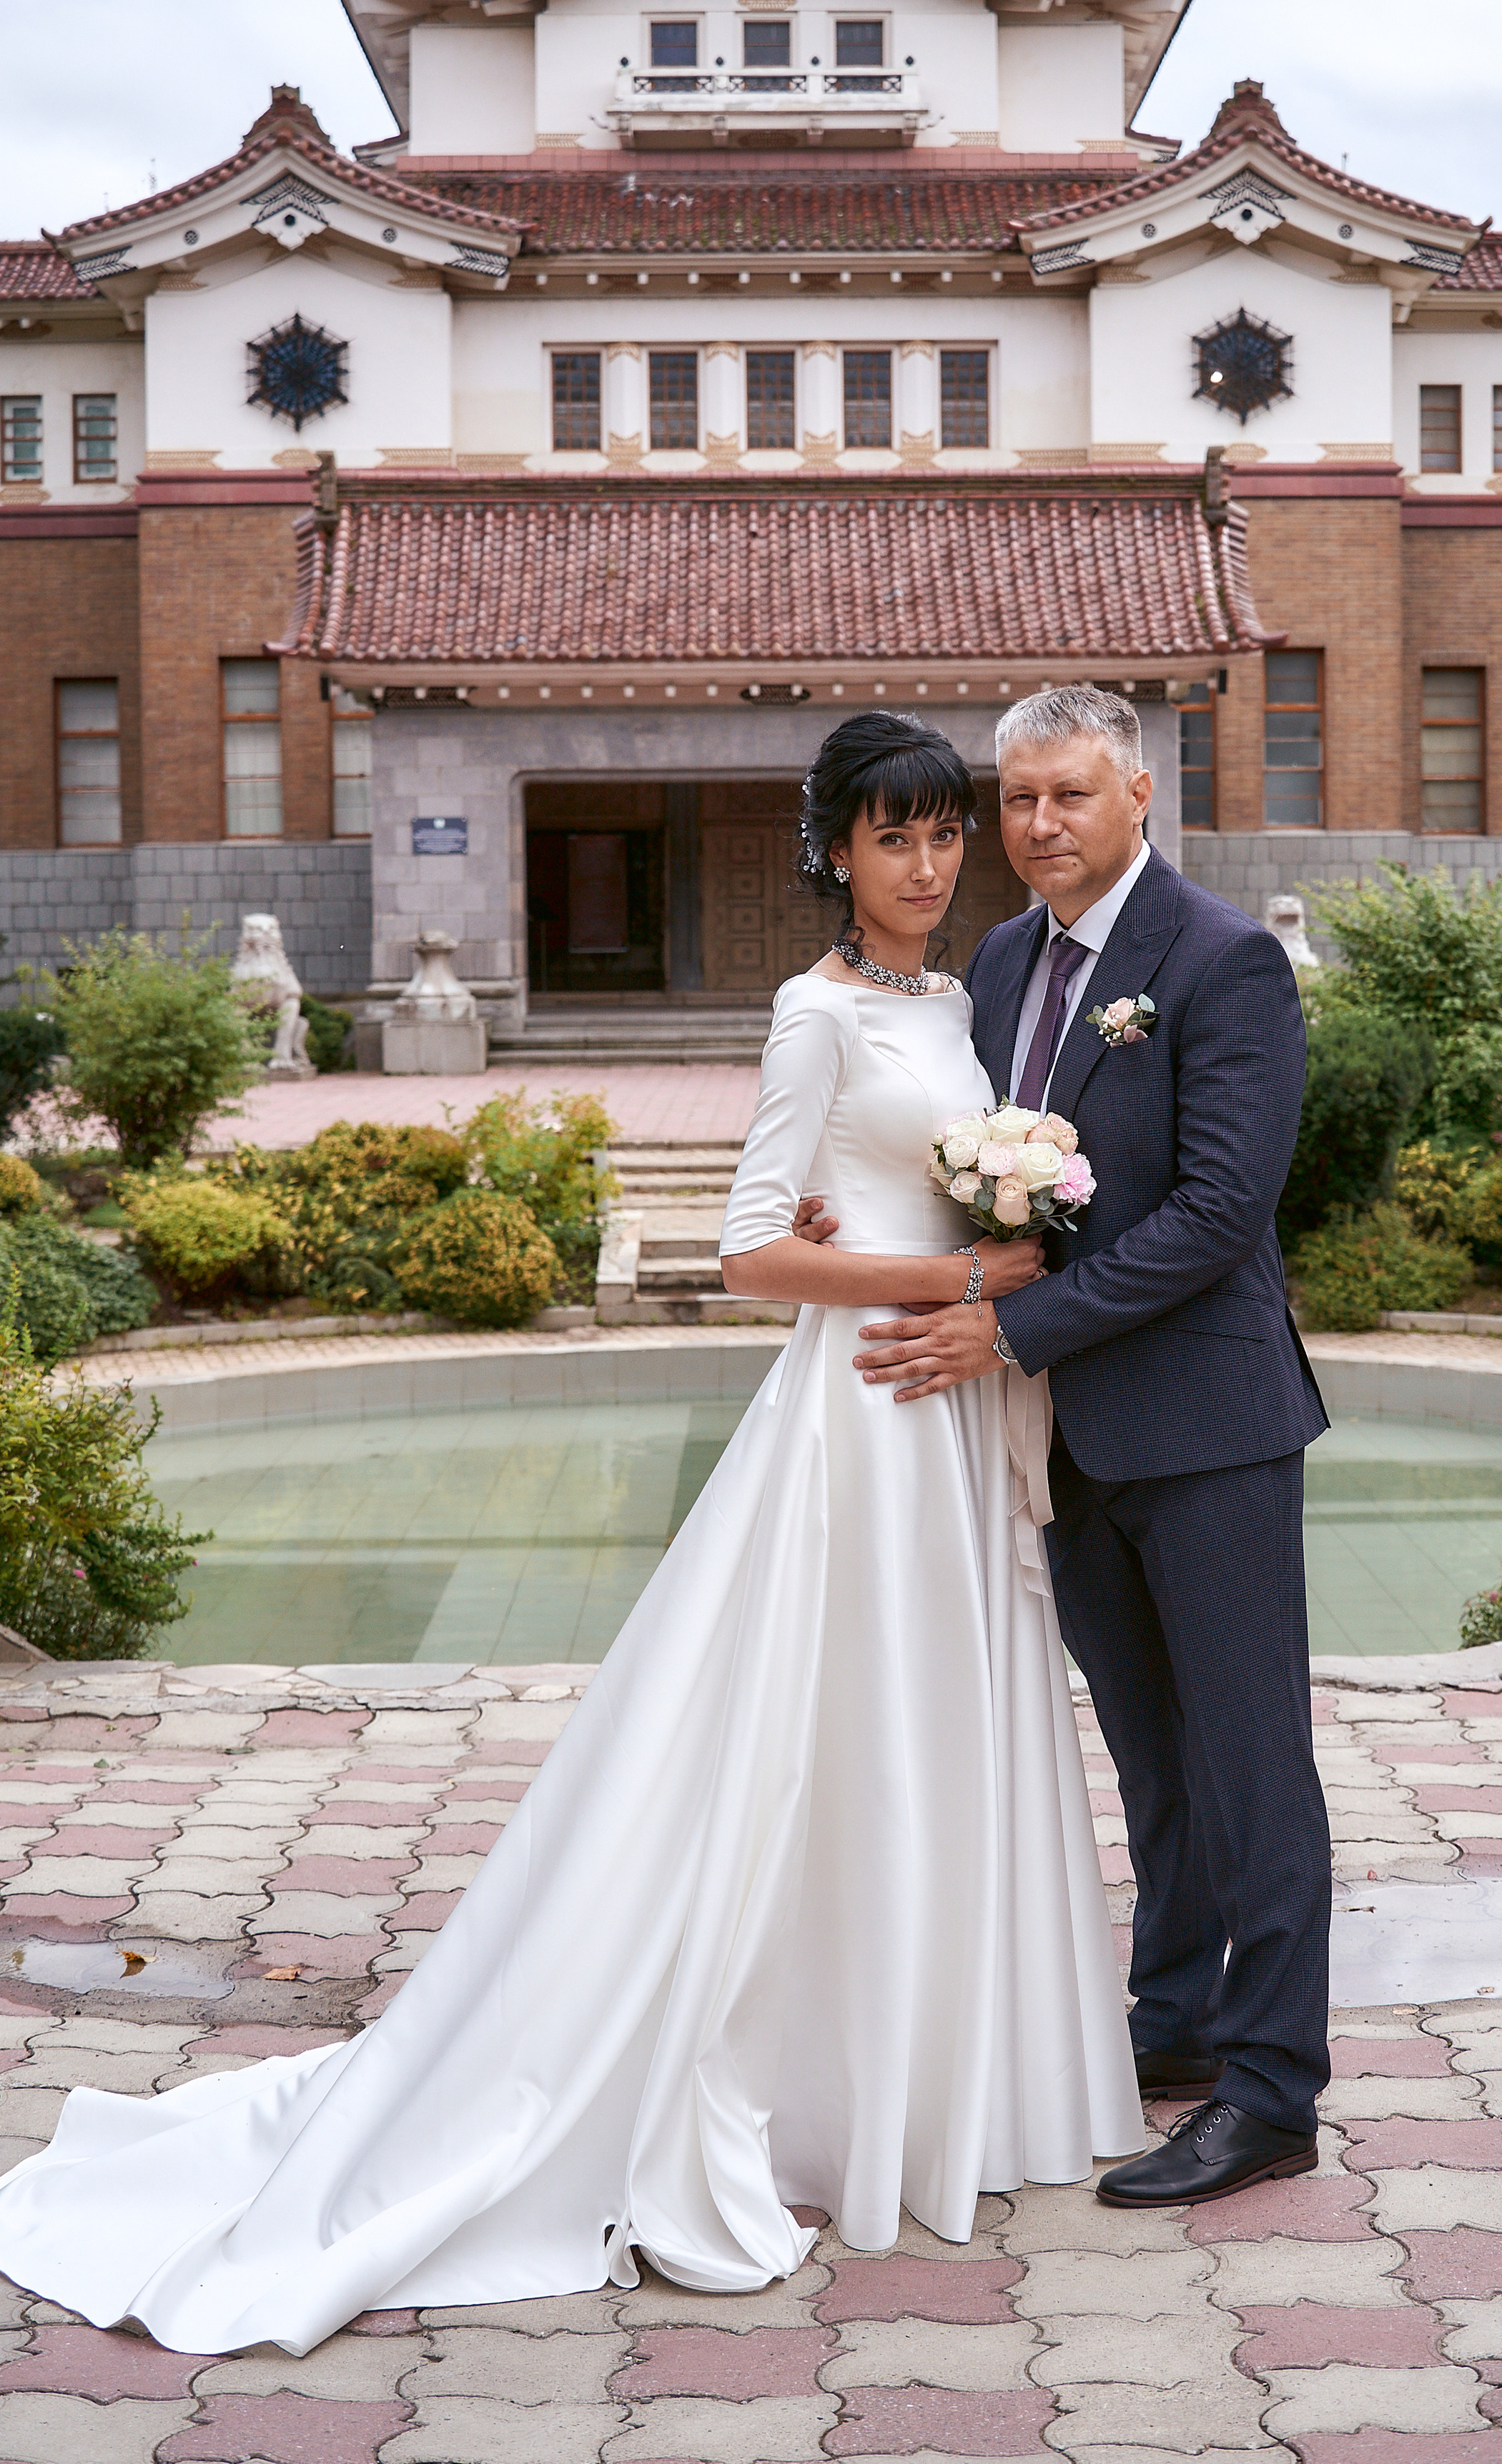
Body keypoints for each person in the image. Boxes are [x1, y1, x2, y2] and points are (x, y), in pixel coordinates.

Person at [0, 712, 1142, 2356]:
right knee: (831, 1727)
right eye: (890, 836)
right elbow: (753, 1250)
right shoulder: (811, 1012)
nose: (926, 861)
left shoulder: (954, 1003)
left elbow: (887, 1198)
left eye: (941, 831)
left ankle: (919, 2073)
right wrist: (960, 1274)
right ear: (830, 851)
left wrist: (979, 1230)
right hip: (865, 1407)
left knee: (930, 1728)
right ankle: (763, 2077)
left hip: (949, 1410)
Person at [832, 686, 1332, 2209]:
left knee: (1252, 1770)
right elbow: (972, 1177)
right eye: (1017, 801)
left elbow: (1213, 1215)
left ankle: (1270, 2090)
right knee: (1151, 1760)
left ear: (1133, 794)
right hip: (1065, 1439)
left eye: (1066, 796)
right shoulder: (994, 959)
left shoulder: (1221, 958)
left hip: (1203, 1423)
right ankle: (1171, 2026)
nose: (1036, 826)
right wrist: (845, 1234)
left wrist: (1011, 1334)